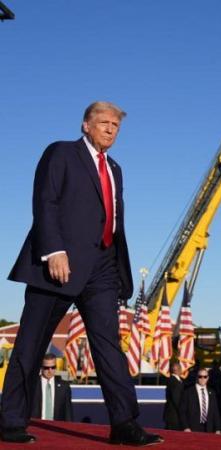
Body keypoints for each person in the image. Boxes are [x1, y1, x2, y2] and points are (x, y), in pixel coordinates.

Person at [2, 102, 162, 445]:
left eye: (115, 125)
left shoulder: (115, 168)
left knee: (109, 347)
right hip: (58, 265)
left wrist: (118, 267)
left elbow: (112, 221)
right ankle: (11, 421)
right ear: (85, 125)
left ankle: (124, 424)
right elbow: (45, 201)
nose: (110, 129)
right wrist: (53, 251)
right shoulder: (61, 153)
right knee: (31, 345)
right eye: (103, 122)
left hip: (103, 269)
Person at [30, 353, 72, 422]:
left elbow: (68, 413)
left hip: (56, 428)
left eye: (53, 367)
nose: (50, 370)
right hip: (36, 426)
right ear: (41, 367)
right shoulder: (32, 385)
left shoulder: (64, 387)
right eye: (46, 368)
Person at [180, 368, 221, 433]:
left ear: (208, 378)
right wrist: (186, 427)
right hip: (192, 428)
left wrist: (218, 428)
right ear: (197, 377)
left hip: (208, 428)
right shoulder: (188, 392)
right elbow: (182, 411)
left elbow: (215, 411)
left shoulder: (212, 392)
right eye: (200, 376)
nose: (202, 379)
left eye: (205, 377)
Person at [163, 363, 185, 430]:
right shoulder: (175, 382)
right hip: (174, 416)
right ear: (178, 370)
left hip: (170, 415)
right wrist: (182, 412)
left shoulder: (171, 380)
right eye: (180, 368)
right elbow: (176, 399)